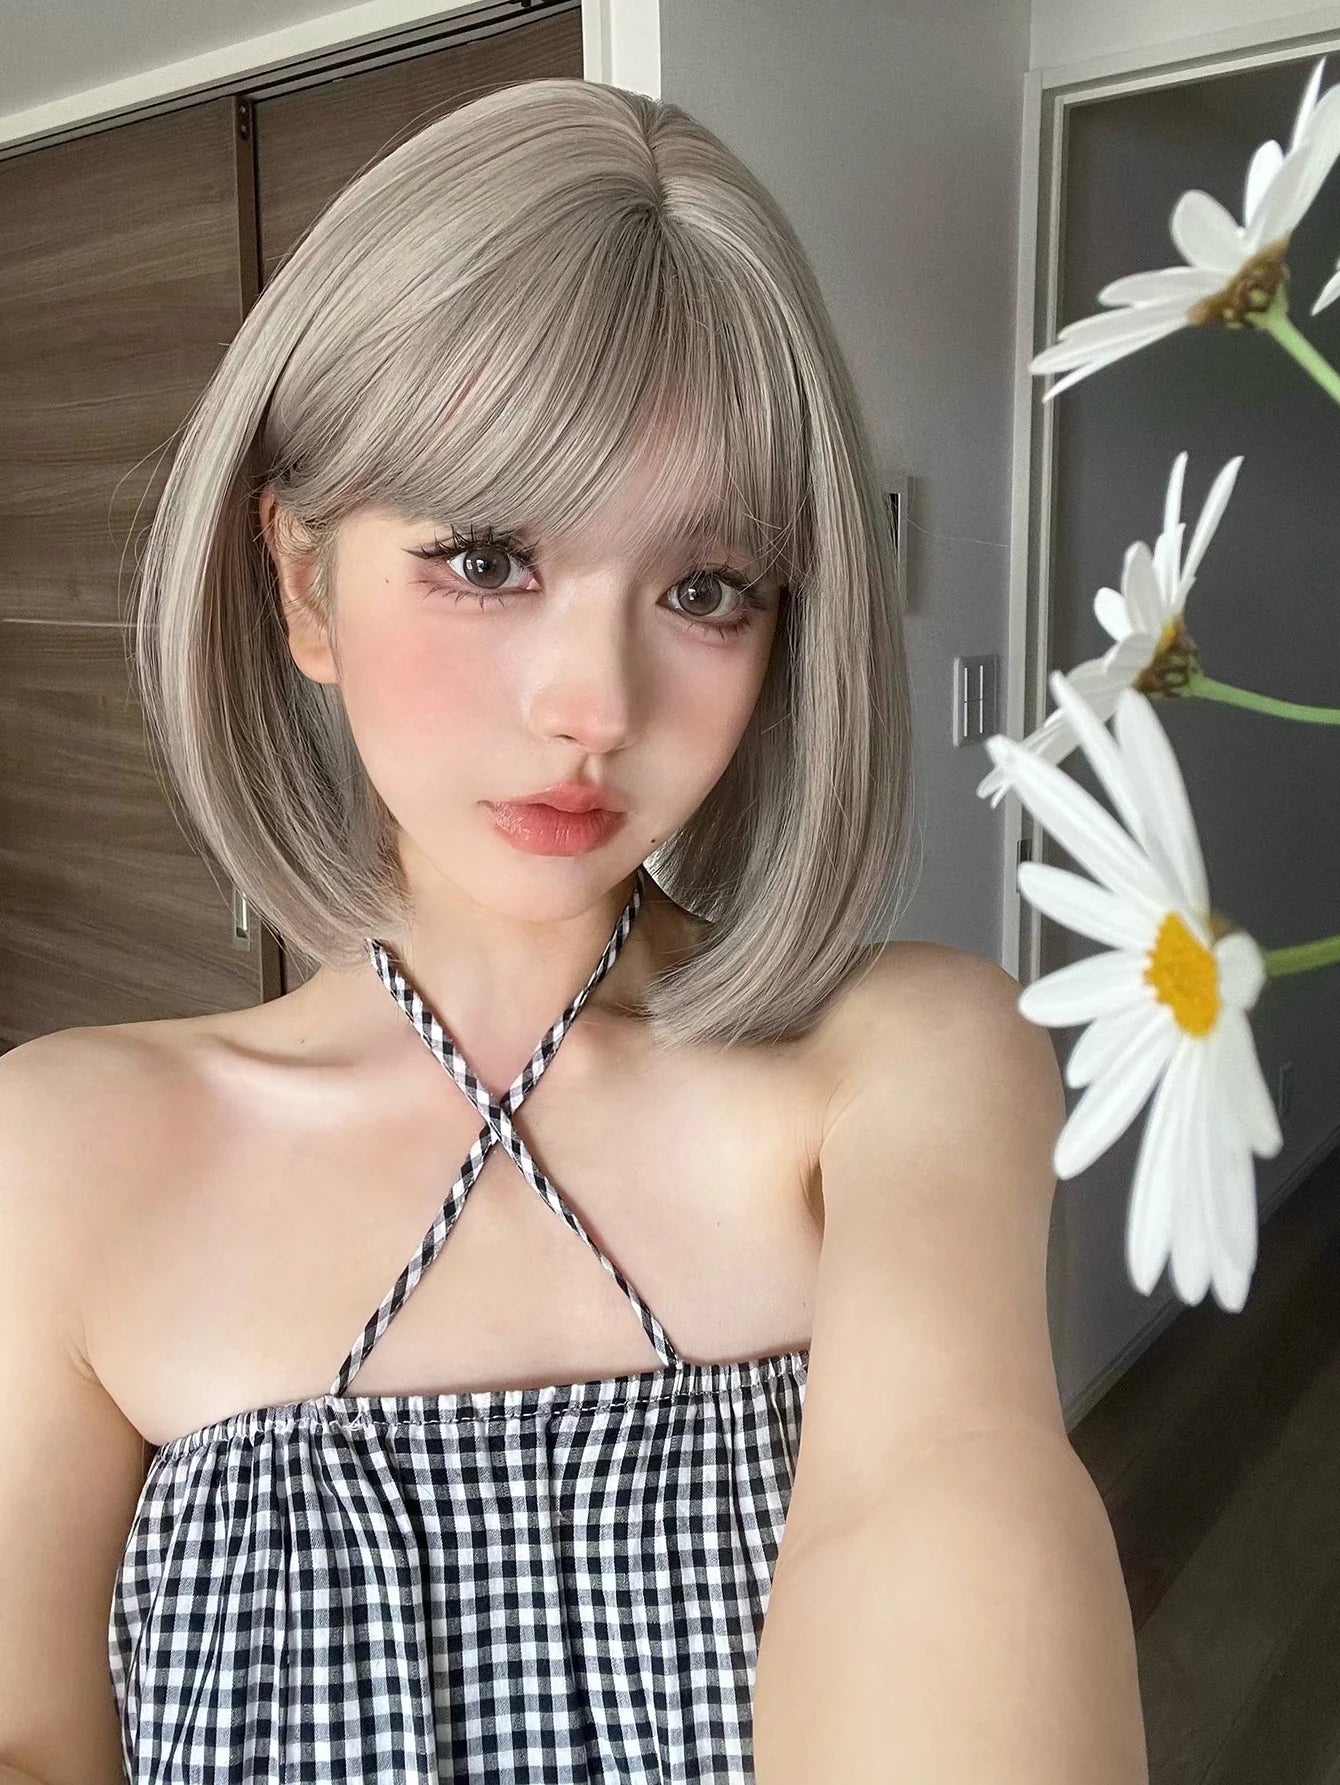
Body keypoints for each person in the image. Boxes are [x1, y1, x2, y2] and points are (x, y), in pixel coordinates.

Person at [0, 76, 1147, 1785]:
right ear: (303, 582)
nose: (593, 704)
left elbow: (946, 1511)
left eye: (705, 589)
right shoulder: (61, 1153)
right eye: (484, 558)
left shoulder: (901, 1067)